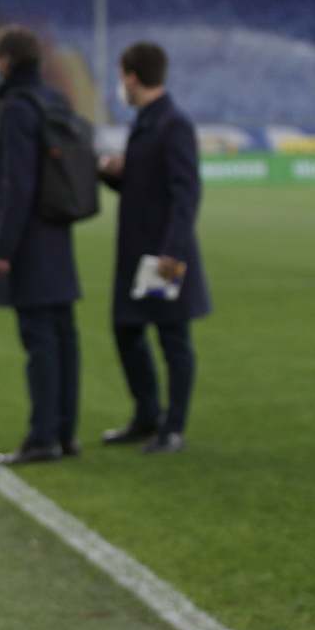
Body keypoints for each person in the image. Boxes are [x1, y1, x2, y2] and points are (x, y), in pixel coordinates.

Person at [100, 42, 211, 454]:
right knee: (126, 329)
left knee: (173, 338)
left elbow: (186, 192)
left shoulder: (173, 124)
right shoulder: (147, 121)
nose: (120, 85)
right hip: (137, 253)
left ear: (132, 77)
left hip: (164, 254)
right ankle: (147, 416)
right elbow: (145, 187)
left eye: (121, 76)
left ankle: (173, 427)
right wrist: (113, 174)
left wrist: (173, 250)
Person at [0, 25, 82, 466]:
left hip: (30, 240)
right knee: (63, 337)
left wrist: (2, 249)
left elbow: (18, 185)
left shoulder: (18, 109)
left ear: (7, 61)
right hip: (59, 231)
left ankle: (43, 437)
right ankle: (64, 433)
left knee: (40, 341)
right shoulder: (55, 101)